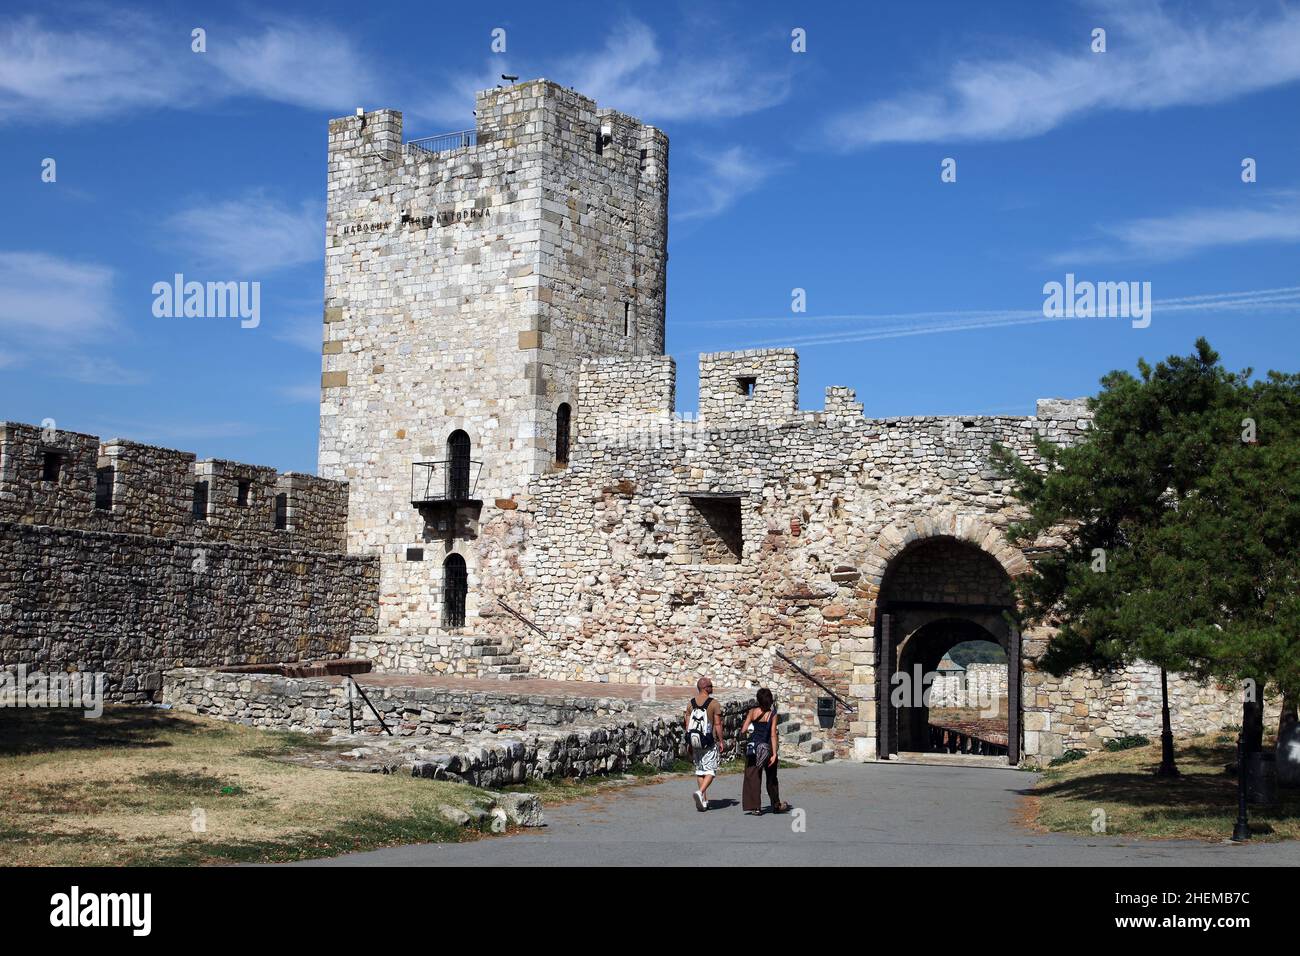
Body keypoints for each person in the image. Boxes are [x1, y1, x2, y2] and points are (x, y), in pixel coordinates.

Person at [740, 687, 792, 815]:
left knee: (752, 777)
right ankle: (776, 804)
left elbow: (743, 730)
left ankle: (755, 807)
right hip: (767, 747)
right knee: (771, 778)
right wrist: (774, 754)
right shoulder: (772, 715)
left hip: (754, 748)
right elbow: (773, 734)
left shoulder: (752, 712)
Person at [685, 676, 724, 811]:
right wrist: (721, 740)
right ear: (705, 688)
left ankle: (704, 801)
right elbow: (718, 724)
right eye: (711, 686)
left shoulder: (690, 704)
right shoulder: (714, 704)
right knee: (711, 771)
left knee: (700, 771)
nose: (712, 688)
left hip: (695, 741)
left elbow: (688, 725)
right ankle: (700, 792)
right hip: (708, 741)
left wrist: (689, 743)